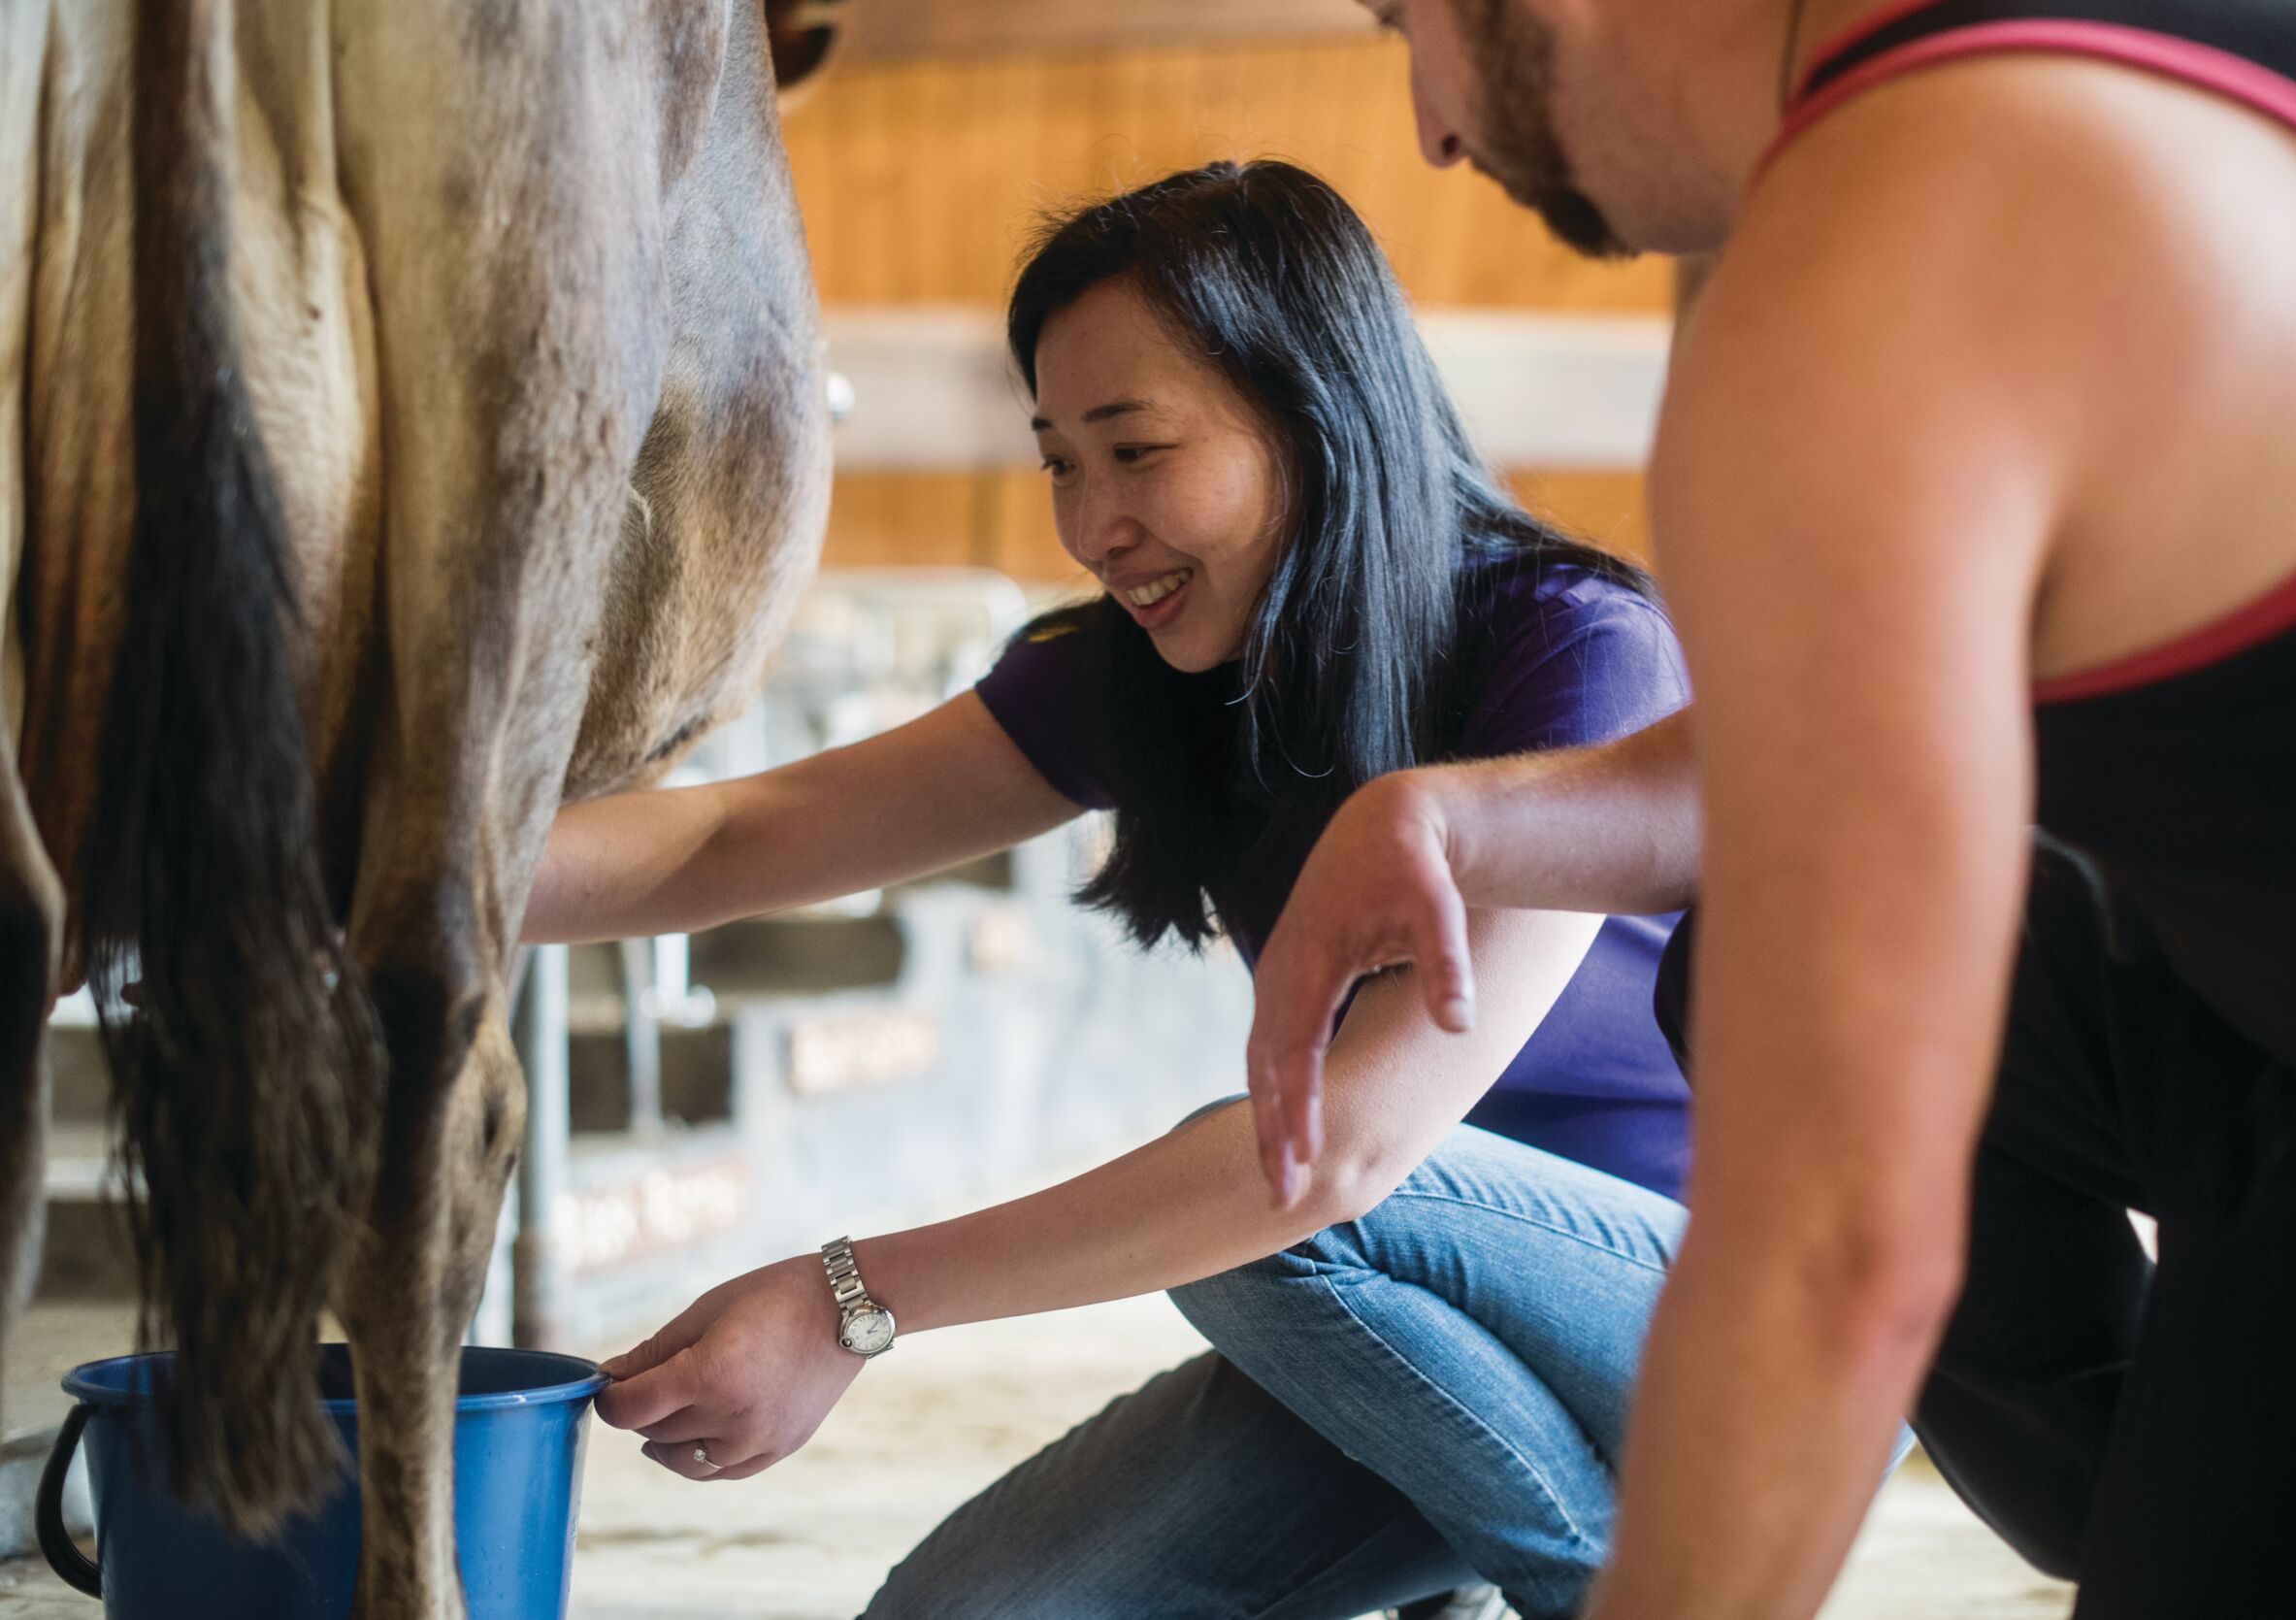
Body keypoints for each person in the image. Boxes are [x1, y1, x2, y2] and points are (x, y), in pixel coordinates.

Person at [1246, 1, 2296, 1617]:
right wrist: (1473, 824)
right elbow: (1846, 745)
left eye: (1407, 24)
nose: (1435, 125)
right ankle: (2183, 1491)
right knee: (1754, 958)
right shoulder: (2139, 57)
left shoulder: (1866, 263)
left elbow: (1835, 1256)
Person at [530, 159, 1705, 1618]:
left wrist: (848, 1296)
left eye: (1135, 451)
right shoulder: (1148, 672)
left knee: (1271, 1188)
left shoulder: (1577, 648)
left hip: (1697, 1312)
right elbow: (738, 840)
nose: (1091, 525)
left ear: (1313, 416)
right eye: (1060, 462)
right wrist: (357, 891)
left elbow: (1345, 1157)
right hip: (1413, 1331)